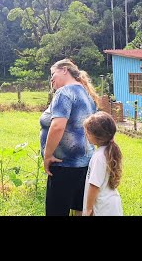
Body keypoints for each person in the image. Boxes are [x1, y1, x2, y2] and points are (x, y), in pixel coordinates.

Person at [40, 59, 99, 216]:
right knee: (79, 209)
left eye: (53, 74)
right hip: (84, 163)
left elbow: (58, 126)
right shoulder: (87, 93)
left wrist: (47, 155)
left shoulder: (64, 92)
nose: (51, 79)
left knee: (56, 211)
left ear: (64, 70)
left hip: (64, 165)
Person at [82, 111, 123, 216]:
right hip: (111, 205)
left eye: (87, 132)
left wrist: (88, 209)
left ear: (97, 136)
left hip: (102, 208)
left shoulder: (99, 157)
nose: (85, 134)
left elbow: (94, 185)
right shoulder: (106, 151)